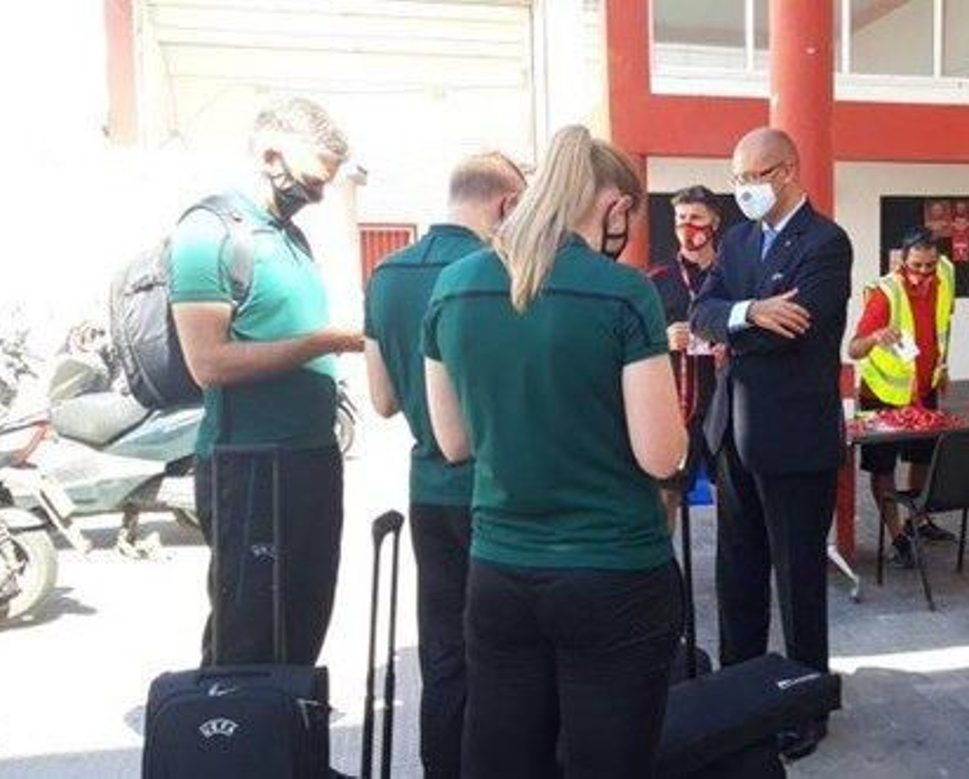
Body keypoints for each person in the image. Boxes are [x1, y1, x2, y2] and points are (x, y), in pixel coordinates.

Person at [423, 125, 687, 777]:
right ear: (616, 207)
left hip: (498, 571)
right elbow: (661, 456)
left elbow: (453, 441)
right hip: (614, 573)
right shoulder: (624, 292)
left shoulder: (454, 286)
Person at [169, 98, 362, 667]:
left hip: (311, 457)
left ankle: (291, 729)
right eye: (312, 180)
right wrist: (323, 342)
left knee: (304, 619)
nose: (316, 195)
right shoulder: (207, 232)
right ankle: (236, 727)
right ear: (271, 156)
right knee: (250, 635)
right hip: (251, 466)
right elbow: (208, 363)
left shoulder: (290, 236)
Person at [691, 127, 853, 760]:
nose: (743, 190)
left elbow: (798, 327)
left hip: (794, 438)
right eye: (736, 178)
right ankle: (740, 695)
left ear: (787, 171)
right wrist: (749, 311)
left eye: (753, 177)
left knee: (797, 579)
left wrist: (739, 321)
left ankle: (807, 704)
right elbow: (703, 313)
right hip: (732, 433)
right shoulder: (736, 241)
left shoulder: (825, 242)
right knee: (737, 574)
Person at [362, 151, 525, 778]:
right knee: (506, 655)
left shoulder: (386, 274)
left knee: (443, 653)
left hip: (428, 490)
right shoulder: (498, 273)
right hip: (497, 491)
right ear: (508, 205)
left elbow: (381, 401)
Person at [847, 228, 958, 569]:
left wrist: (943, 366)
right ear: (901, 261)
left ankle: (917, 520)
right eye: (916, 266)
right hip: (882, 393)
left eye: (929, 265)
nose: (923, 273)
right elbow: (854, 349)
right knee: (883, 467)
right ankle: (896, 536)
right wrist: (875, 337)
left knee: (923, 457)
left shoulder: (946, 274)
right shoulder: (886, 293)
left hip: (923, 388)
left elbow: (944, 323)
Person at [649, 186, 724, 526]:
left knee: (734, 493)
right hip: (678, 405)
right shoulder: (657, 279)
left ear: (714, 223)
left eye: (696, 218)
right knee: (667, 492)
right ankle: (660, 558)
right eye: (681, 218)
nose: (687, 226)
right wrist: (662, 339)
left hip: (726, 403)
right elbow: (635, 340)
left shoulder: (734, 274)